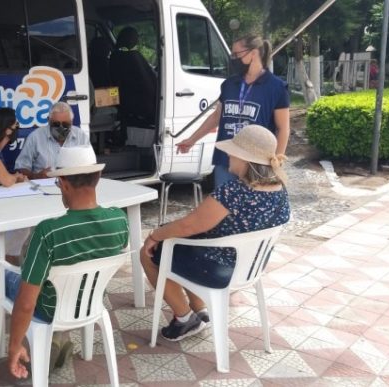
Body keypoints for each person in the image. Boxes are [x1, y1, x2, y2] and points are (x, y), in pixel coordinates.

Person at [140, 125, 290, 341]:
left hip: (219, 268)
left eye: (233, 151)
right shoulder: (280, 189)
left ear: (244, 159)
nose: (228, 154)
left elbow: (190, 225)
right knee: (180, 244)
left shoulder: (234, 192)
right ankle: (200, 311)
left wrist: (155, 235)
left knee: (149, 253)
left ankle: (184, 319)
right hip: (249, 267)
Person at [6, 146, 130, 379]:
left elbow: (26, 303)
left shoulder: (48, 231)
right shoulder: (119, 219)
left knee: (0, 276)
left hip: (50, 309)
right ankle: (58, 339)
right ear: (98, 177)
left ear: (62, 183)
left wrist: (14, 345)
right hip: (92, 302)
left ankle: (46, 341)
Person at [176, 35, 290, 189]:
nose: (233, 59)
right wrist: (192, 140)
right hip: (226, 161)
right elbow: (216, 116)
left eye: (237, 54)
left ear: (254, 53)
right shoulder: (229, 84)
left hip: (256, 165)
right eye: (232, 55)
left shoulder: (276, 87)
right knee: (224, 210)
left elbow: (283, 128)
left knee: (252, 211)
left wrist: (276, 161)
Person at [15, 102, 91, 179]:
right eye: (56, 124)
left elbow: (90, 165)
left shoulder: (80, 136)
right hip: (44, 187)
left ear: (71, 122)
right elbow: (21, 168)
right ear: (49, 120)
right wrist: (36, 176)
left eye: (65, 124)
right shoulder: (35, 137)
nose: (61, 128)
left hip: (74, 186)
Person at [109, 26, 157, 144]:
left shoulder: (113, 58)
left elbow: (114, 85)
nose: (137, 40)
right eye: (135, 37)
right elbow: (149, 85)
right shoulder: (134, 57)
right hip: (131, 103)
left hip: (116, 98)